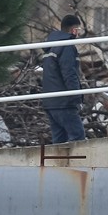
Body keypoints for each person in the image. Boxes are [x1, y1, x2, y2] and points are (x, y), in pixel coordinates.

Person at [41, 14, 86, 143]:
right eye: (78, 30)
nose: (78, 34)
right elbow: (69, 74)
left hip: (50, 101)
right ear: (73, 30)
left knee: (59, 141)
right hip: (64, 102)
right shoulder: (67, 46)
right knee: (78, 137)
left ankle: (58, 158)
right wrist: (76, 98)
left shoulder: (51, 46)